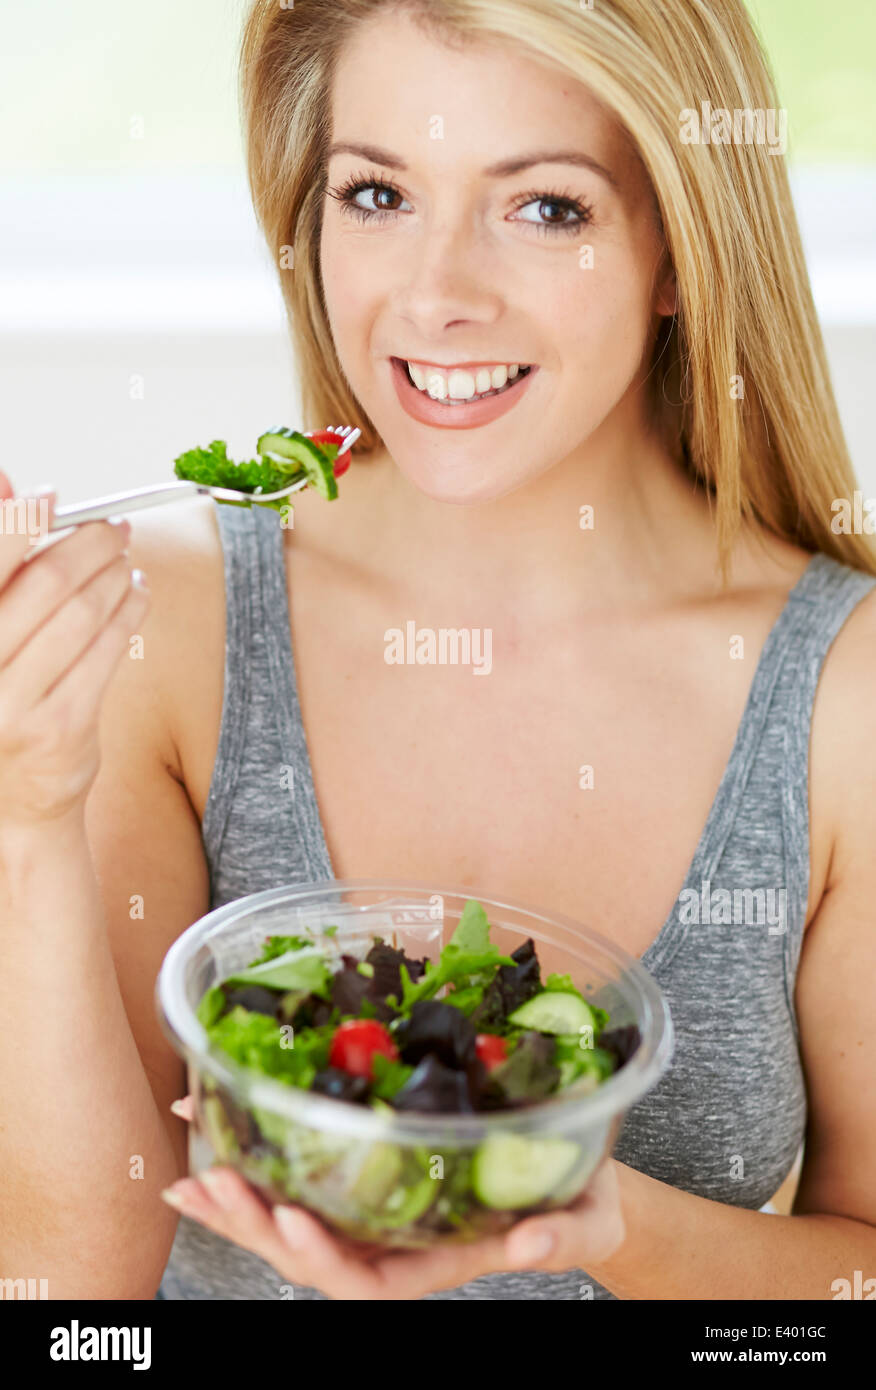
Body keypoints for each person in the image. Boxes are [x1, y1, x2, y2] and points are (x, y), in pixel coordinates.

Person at [2, 0, 875, 1301]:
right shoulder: (162, 626)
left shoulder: (842, 694)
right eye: (377, 194)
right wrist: (23, 813)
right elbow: (73, 1305)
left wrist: (601, 1216)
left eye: (544, 207)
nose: (436, 296)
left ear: (679, 246)